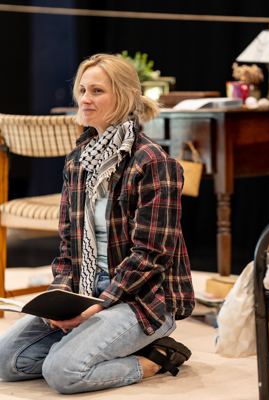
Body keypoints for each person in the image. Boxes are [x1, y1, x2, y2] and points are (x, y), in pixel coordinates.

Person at [0, 53, 195, 394]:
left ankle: (156, 356)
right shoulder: (78, 161)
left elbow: (150, 256)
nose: (85, 99)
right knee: (7, 362)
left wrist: (97, 307)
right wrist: (60, 296)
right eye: (82, 89)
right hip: (84, 288)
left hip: (140, 296)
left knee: (62, 373)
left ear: (124, 96)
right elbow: (67, 245)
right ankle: (102, 340)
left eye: (97, 91)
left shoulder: (154, 163)